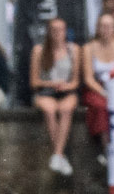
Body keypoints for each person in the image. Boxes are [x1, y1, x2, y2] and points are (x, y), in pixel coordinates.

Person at [29, 17, 81, 175]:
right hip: (46, 90)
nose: (58, 33)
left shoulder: (74, 50)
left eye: (61, 30)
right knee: (50, 110)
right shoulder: (39, 50)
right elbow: (34, 81)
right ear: (49, 32)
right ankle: (59, 155)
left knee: (65, 109)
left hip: (66, 91)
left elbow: (75, 81)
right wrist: (52, 84)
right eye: (54, 30)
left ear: (65, 32)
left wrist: (65, 86)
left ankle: (57, 155)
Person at [79, 12, 114, 149]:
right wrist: (103, 91)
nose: (105, 30)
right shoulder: (88, 48)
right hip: (97, 87)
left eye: (108, 26)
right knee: (101, 106)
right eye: (102, 26)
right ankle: (104, 146)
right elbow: (88, 78)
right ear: (97, 28)